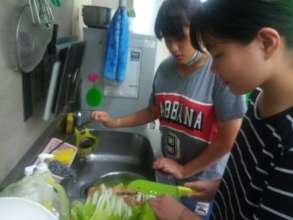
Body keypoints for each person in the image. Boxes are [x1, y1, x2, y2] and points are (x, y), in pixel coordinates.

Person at [92, 0, 246, 218]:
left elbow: (228, 139)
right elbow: (154, 110)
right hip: (169, 173)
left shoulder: (218, 71)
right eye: (167, 39)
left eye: (180, 38)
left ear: (198, 32)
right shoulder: (165, 70)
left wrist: (185, 170)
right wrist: (115, 121)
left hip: (203, 184)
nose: (174, 47)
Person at [149, 0, 293, 219]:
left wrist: (180, 215)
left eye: (218, 55)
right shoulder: (259, 99)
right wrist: (221, 187)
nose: (213, 70)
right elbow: (254, 179)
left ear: (266, 42)